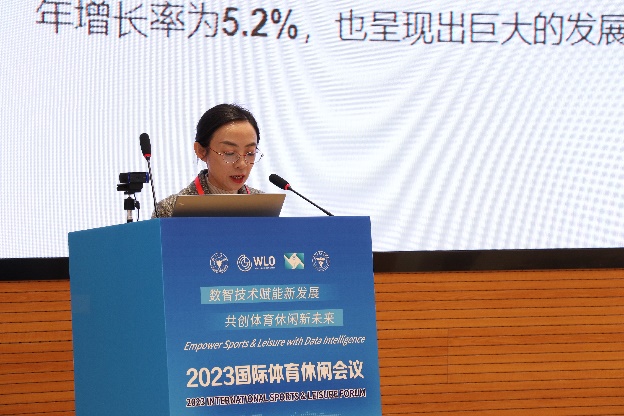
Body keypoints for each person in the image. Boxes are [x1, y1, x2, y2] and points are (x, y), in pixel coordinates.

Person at [153, 103, 263, 218]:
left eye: (250, 153)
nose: (242, 164)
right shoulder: (170, 211)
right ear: (201, 151)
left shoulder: (263, 207)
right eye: (229, 153)